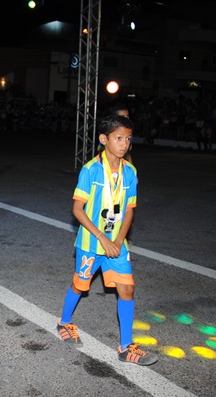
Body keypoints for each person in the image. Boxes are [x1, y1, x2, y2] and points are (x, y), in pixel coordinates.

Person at [56, 114, 158, 366]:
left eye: (128, 139)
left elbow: (130, 210)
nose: (124, 144)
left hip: (117, 244)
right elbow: (77, 209)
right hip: (92, 243)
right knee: (80, 285)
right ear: (104, 139)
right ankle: (64, 322)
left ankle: (126, 347)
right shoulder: (91, 170)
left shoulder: (130, 171)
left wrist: (118, 241)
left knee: (127, 288)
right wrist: (102, 238)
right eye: (118, 138)